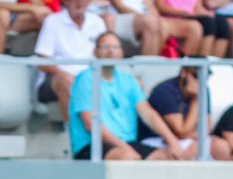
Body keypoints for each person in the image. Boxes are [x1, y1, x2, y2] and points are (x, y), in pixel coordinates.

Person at [69, 30, 190, 159]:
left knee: (169, 157)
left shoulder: (127, 80)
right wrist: (128, 150)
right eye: (105, 47)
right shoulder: (85, 80)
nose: (110, 51)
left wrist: (173, 142)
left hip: (127, 144)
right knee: (127, 158)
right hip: (93, 145)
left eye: (115, 47)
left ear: (121, 53)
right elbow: (91, 125)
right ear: (95, 52)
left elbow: (148, 114)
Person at [35, 0, 106, 112]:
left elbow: (105, 55)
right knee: (67, 81)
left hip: (89, 76)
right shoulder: (52, 21)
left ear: (89, 1)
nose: (79, 1)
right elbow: (42, 62)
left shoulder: (98, 22)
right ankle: (73, 124)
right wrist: (67, 75)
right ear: (66, 1)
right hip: (56, 78)